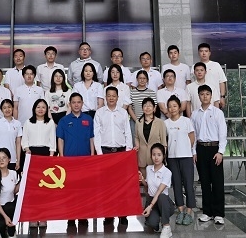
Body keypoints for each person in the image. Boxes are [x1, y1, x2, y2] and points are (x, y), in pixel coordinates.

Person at [94, 86, 135, 228]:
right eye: (109, 95)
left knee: (121, 185)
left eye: (114, 96)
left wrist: (127, 152)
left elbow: (128, 132)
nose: (111, 98)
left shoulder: (123, 113)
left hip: (120, 152)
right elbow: (97, 134)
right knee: (107, 186)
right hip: (105, 152)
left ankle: (122, 215)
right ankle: (109, 215)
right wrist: (100, 154)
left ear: (118, 98)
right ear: (105, 97)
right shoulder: (99, 113)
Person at [56, 92, 95, 231]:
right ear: (70, 104)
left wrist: (92, 155)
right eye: (74, 102)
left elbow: (91, 138)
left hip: (85, 160)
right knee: (71, 191)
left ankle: (83, 216)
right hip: (69, 161)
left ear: (82, 104)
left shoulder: (89, 119)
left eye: (79, 102)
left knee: (84, 190)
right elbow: (60, 139)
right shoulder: (64, 121)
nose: (76, 105)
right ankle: (71, 217)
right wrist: (61, 156)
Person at [191, 84, 227, 225]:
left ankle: (218, 213)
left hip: (214, 149)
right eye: (202, 94)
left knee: (217, 182)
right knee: (205, 182)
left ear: (211, 96)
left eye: (207, 94)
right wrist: (194, 152)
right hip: (201, 149)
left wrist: (220, 152)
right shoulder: (195, 114)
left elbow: (222, 133)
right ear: (199, 96)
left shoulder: (218, 113)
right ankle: (207, 212)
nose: (205, 96)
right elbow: (193, 135)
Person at [21, 98, 56, 230]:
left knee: (44, 189)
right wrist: (27, 150)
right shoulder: (28, 122)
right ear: (34, 109)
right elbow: (24, 140)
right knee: (32, 189)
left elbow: (52, 141)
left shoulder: (50, 123)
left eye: (43, 107)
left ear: (46, 110)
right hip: (31, 155)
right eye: (38, 107)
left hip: (45, 155)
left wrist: (51, 158)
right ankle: (33, 217)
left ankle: (43, 217)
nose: (41, 109)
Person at [164, 95, 196, 226]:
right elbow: (165, 141)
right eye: (170, 107)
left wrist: (190, 151)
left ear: (179, 107)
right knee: (176, 184)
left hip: (186, 156)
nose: (172, 109)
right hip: (172, 157)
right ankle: (181, 210)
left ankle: (189, 211)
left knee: (188, 184)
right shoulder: (166, 123)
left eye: (175, 106)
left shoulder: (186, 121)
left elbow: (192, 138)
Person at [139, 143, 174, 238]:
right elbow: (147, 185)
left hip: (164, 202)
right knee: (152, 224)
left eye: (159, 155)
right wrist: (142, 179)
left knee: (161, 196)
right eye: (154, 154)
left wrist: (150, 207)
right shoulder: (148, 168)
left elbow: (158, 192)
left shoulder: (167, 172)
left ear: (163, 156)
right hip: (152, 201)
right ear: (151, 156)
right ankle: (157, 218)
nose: (156, 157)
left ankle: (166, 226)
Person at [0, 148, 19, 238]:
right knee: (1, 229)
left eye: (4, 158)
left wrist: (23, 180)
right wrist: (5, 217)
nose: (1, 160)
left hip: (11, 208)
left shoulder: (13, 174)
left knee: (10, 206)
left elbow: (14, 191)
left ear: (9, 159)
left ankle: (11, 230)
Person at [135, 97, 167, 175]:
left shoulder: (160, 122)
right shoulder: (138, 122)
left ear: (154, 108)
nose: (147, 107)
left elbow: (163, 142)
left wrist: (162, 157)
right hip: (142, 157)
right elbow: (136, 137)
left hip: (155, 158)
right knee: (144, 180)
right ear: (142, 108)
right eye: (145, 106)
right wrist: (137, 146)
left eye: (150, 105)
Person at [0, 99, 22, 171]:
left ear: (12, 108)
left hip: (11, 159)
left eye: (9, 107)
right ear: (1, 110)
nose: (7, 110)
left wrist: (18, 160)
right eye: (4, 108)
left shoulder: (18, 124)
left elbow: (18, 143)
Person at [196, 43, 228, 109]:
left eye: (206, 51)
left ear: (209, 53)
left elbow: (222, 82)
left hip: (215, 99)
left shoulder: (216, 65)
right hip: (199, 100)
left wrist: (222, 97)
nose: (204, 53)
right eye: (201, 51)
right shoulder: (194, 67)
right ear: (198, 53)